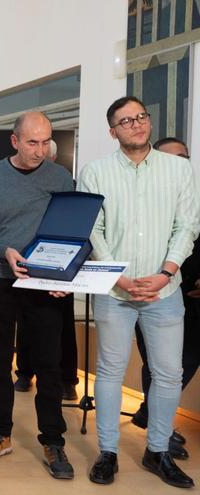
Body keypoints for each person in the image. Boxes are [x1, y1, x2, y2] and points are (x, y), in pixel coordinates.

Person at [78, 96, 199, 488]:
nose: (136, 124)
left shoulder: (179, 170)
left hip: (165, 291)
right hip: (116, 291)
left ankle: (158, 450)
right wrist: (116, 275)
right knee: (110, 373)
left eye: (141, 116)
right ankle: (108, 452)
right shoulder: (94, 172)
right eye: (126, 121)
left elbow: (188, 226)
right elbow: (92, 228)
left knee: (168, 373)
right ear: (113, 131)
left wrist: (166, 273)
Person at [0, 111, 76, 479]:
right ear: (14, 141)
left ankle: (53, 441)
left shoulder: (60, 178)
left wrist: (64, 274)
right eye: (32, 142)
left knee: (48, 363)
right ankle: (0, 434)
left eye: (45, 142)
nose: (40, 150)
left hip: (43, 284)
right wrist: (3, 251)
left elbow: (71, 234)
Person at [130, 137, 199, 460]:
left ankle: (150, 412)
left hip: (193, 296)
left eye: (184, 157)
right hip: (153, 292)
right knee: (158, 364)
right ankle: (162, 431)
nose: (179, 163)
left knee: (183, 365)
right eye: (172, 157)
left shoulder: (192, 195)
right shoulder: (142, 199)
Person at [13, 138, 80, 401]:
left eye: (45, 152)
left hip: (58, 266)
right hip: (24, 265)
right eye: (33, 147)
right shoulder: (15, 182)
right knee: (26, 324)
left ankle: (67, 380)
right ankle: (24, 372)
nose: (38, 155)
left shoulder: (64, 182)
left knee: (63, 327)